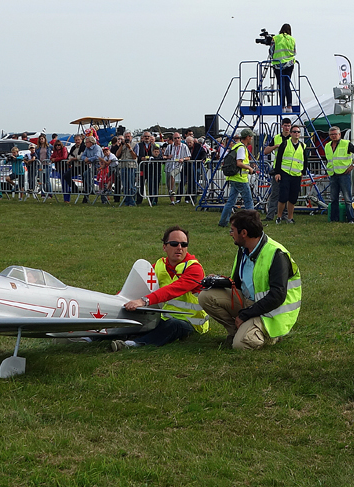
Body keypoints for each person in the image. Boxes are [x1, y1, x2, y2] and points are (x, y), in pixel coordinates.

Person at [199, 210, 301, 350]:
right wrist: (216, 281)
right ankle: (236, 332)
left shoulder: (277, 255)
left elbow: (277, 296)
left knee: (240, 345)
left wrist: (246, 314)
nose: (230, 233)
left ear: (244, 233)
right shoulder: (243, 249)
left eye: (232, 230)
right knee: (205, 296)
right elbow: (238, 283)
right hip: (249, 303)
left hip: (270, 313)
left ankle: (270, 336)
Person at [112, 226, 210, 351]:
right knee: (133, 316)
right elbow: (137, 285)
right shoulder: (159, 266)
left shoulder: (194, 269)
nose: (179, 248)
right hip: (163, 317)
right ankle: (94, 337)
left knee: (173, 325)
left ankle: (134, 344)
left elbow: (173, 290)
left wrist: (143, 301)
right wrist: (119, 300)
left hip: (192, 322)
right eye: (174, 244)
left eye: (184, 244)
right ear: (165, 247)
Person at [324, 126, 354, 222]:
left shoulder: (346, 144)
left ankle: (351, 219)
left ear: (339, 134)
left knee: (347, 198)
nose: (334, 136)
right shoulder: (327, 146)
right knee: (333, 198)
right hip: (333, 174)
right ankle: (334, 219)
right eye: (332, 134)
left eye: (335, 134)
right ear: (329, 135)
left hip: (344, 174)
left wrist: (353, 165)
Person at [218, 128, 255, 227]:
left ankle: (223, 222)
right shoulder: (242, 148)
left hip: (234, 178)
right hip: (240, 179)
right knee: (249, 202)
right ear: (247, 137)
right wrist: (249, 168)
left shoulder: (236, 146)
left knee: (230, 202)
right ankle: (253, 223)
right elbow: (239, 163)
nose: (251, 138)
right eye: (251, 136)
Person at [272, 124, 306, 224]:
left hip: (296, 175)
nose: (296, 133)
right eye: (294, 132)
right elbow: (279, 158)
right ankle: (279, 217)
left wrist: (302, 172)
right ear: (291, 133)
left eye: (298, 132)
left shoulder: (302, 146)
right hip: (285, 173)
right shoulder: (285, 144)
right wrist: (277, 172)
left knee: (293, 197)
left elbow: (305, 160)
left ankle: (290, 218)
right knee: (283, 196)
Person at [263, 119, 293, 220]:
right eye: (285, 126)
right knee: (275, 193)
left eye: (289, 126)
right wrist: (275, 146)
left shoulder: (293, 138)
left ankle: (284, 215)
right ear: (281, 126)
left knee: (286, 194)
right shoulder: (276, 138)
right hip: (278, 169)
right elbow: (265, 151)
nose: (287, 128)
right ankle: (270, 215)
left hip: (289, 170)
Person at [269, 24, 297, 112]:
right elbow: (294, 52)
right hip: (289, 64)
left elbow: (271, 51)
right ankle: (289, 106)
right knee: (287, 84)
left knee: (281, 85)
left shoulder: (276, 38)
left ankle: (282, 106)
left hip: (278, 64)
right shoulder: (292, 39)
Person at [162, 133, 190, 204]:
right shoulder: (169, 147)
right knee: (169, 183)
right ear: (173, 139)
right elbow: (164, 156)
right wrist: (168, 157)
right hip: (169, 166)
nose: (177, 140)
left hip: (178, 166)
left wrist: (183, 159)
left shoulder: (184, 146)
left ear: (180, 138)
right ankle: (172, 200)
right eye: (175, 138)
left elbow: (188, 157)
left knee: (172, 174)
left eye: (178, 138)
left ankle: (172, 191)